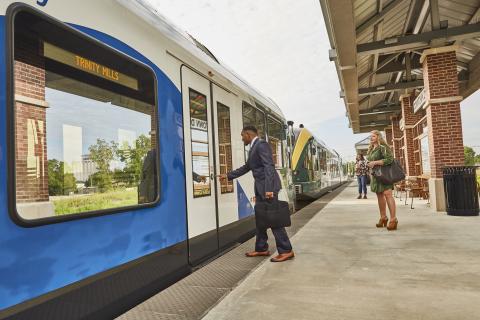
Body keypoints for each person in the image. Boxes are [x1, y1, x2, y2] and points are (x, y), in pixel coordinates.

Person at [218, 125, 294, 262]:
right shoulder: (254, 147)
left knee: (273, 219)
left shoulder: (261, 144)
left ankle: (286, 250)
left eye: (242, 136)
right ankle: (261, 248)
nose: (242, 139)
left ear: (247, 134)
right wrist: (228, 175)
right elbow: (247, 167)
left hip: (267, 188)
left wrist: (269, 189)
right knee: (261, 220)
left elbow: (269, 166)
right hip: (261, 188)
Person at [366, 130, 398, 231]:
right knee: (379, 196)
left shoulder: (383, 147)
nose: (371, 138)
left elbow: (390, 159)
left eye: (373, 136)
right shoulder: (371, 149)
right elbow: (370, 161)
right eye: (370, 137)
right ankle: (383, 217)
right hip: (376, 176)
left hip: (385, 175)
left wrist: (375, 162)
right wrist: (369, 164)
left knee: (388, 195)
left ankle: (393, 219)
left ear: (378, 137)